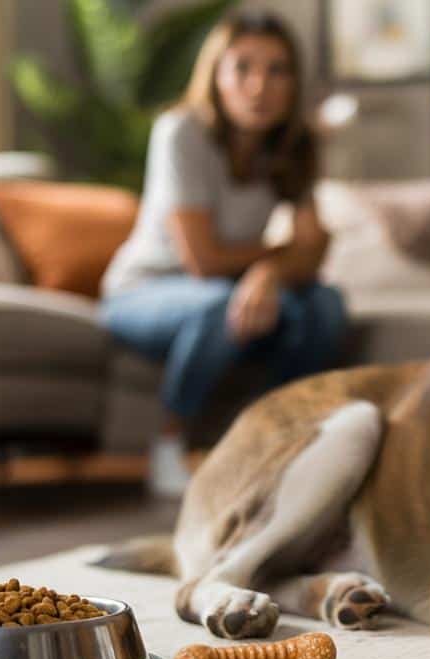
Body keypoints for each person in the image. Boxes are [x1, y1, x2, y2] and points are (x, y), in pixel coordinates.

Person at [100, 11, 347, 496]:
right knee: (216, 302)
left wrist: (271, 271)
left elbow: (314, 250)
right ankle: (170, 442)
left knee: (323, 304)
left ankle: (279, 445)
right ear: (216, 76)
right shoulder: (181, 132)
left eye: (277, 70)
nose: (260, 86)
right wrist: (274, 260)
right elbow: (203, 259)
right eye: (243, 68)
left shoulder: (295, 146)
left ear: (293, 82)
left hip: (227, 287)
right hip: (144, 291)